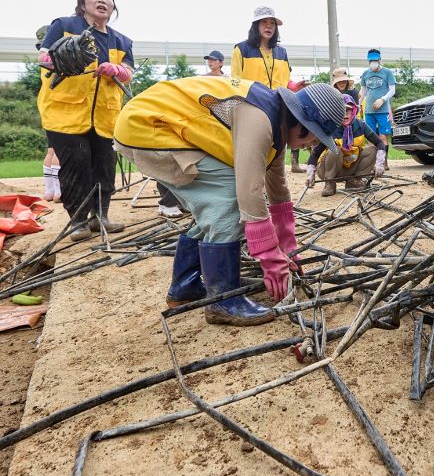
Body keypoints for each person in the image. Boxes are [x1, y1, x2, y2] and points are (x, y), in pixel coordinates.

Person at [114, 78, 345, 326]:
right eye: (315, 137)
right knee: (230, 198)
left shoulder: (275, 124)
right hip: (147, 127)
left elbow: (277, 190)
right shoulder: (261, 119)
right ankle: (223, 300)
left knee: (218, 205)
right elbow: (250, 190)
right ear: (301, 124)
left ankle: (185, 287)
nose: (313, 143)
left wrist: (287, 248)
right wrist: (268, 255)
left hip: (156, 127)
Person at [38, 0, 134, 241]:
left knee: (104, 167)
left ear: (113, 6)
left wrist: (116, 70)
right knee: (76, 166)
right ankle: (78, 221)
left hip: (105, 115)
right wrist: (63, 60)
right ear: (83, 3)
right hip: (65, 113)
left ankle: (99, 218)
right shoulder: (64, 26)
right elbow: (44, 58)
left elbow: (128, 73)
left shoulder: (122, 41)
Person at [231, 6, 308, 174]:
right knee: (255, 156)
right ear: (256, 25)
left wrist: (295, 87)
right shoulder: (242, 49)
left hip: (278, 110)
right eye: (264, 22)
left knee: (277, 161)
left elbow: (285, 81)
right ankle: (255, 189)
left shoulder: (282, 52)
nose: (269, 26)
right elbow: (234, 83)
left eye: (272, 23)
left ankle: (276, 196)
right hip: (253, 110)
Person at [306, 94, 386, 196]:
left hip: (350, 164)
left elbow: (379, 143)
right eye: (341, 110)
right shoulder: (330, 127)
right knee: (336, 149)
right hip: (328, 169)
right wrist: (310, 174)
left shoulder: (361, 125)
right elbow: (315, 153)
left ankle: (354, 181)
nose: (345, 114)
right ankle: (330, 183)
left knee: (372, 150)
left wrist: (379, 164)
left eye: (348, 110)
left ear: (353, 110)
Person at [35, 25, 62, 204]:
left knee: (51, 148)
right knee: (60, 149)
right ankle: (59, 192)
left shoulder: (43, 58)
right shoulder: (55, 57)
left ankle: (49, 190)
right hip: (58, 104)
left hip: (46, 104)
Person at [359, 49, 396, 170]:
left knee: (383, 137)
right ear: (368, 61)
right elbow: (363, 91)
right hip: (369, 111)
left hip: (383, 110)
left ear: (379, 60)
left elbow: (392, 90)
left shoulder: (387, 72)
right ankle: (371, 163)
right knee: (371, 137)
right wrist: (357, 104)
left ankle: (384, 162)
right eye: (371, 60)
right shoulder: (365, 74)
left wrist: (382, 100)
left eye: (375, 60)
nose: (373, 62)